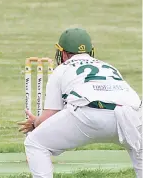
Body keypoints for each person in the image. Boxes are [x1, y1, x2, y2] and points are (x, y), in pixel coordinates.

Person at [18, 28, 142, 178]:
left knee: (35, 143)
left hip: (88, 113)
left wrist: (35, 123)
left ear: (63, 53)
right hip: (132, 113)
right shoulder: (109, 67)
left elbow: (48, 117)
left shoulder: (62, 69)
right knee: (139, 150)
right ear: (91, 51)